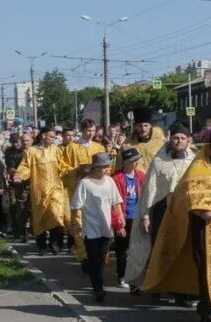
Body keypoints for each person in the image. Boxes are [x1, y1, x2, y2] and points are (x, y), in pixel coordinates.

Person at [142, 124, 211, 322]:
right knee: (208, 274)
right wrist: (200, 212)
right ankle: (209, 320)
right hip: (205, 231)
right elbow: (184, 197)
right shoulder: (199, 166)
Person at [123, 122, 197, 295]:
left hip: (186, 212)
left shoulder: (194, 160)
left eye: (182, 138)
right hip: (162, 211)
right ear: (170, 139)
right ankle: (158, 285)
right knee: (161, 249)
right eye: (175, 138)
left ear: (188, 140)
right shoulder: (159, 161)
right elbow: (150, 190)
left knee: (183, 250)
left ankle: (182, 290)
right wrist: (145, 216)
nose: (178, 141)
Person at [70, 152, 126, 302]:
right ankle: (98, 289)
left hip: (106, 228)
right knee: (95, 260)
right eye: (104, 166)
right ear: (95, 167)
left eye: (108, 166)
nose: (107, 169)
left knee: (102, 259)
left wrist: (120, 219)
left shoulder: (109, 181)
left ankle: (98, 284)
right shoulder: (85, 183)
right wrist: (75, 224)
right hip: (91, 229)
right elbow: (75, 206)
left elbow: (116, 202)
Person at [13, 126, 69, 254]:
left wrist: (70, 170)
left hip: (56, 189)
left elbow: (63, 165)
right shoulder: (31, 152)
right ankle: (42, 245)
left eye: (54, 137)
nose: (53, 139)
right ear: (43, 136)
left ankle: (56, 243)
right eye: (51, 137)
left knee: (56, 215)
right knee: (40, 218)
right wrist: (19, 175)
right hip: (39, 190)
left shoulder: (56, 150)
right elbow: (25, 167)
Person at [61, 119, 107, 262]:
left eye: (93, 130)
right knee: (78, 223)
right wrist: (77, 170)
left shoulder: (99, 147)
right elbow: (63, 167)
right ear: (81, 130)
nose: (90, 133)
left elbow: (107, 167)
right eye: (87, 131)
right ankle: (83, 256)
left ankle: (99, 255)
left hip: (96, 191)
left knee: (98, 221)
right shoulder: (72, 148)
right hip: (78, 189)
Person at [111, 147, 145, 291]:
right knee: (122, 249)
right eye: (133, 160)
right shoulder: (115, 178)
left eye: (137, 160)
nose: (137, 162)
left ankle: (136, 277)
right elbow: (113, 203)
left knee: (137, 249)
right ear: (125, 162)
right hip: (123, 217)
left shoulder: (141, 176)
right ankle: (122, 276)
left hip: (137, 217)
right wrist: (118, 224)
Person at [116, 107, 166, 173]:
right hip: (136, 181)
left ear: (150, 126)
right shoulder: (126, 145)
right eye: (140, 126)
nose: (143, 129)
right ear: (135, 126)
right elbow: (119, 166)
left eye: (146, 126)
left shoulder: (161, 141)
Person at [5, 132, 31, 240]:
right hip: (18, 183)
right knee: (18, 206)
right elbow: (10, 168)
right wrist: (21, 174)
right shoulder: (12, 153)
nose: (17, 144)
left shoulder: (34, 151)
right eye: (14, 142)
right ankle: (19, 229)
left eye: (27, 141)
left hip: (34, 182)